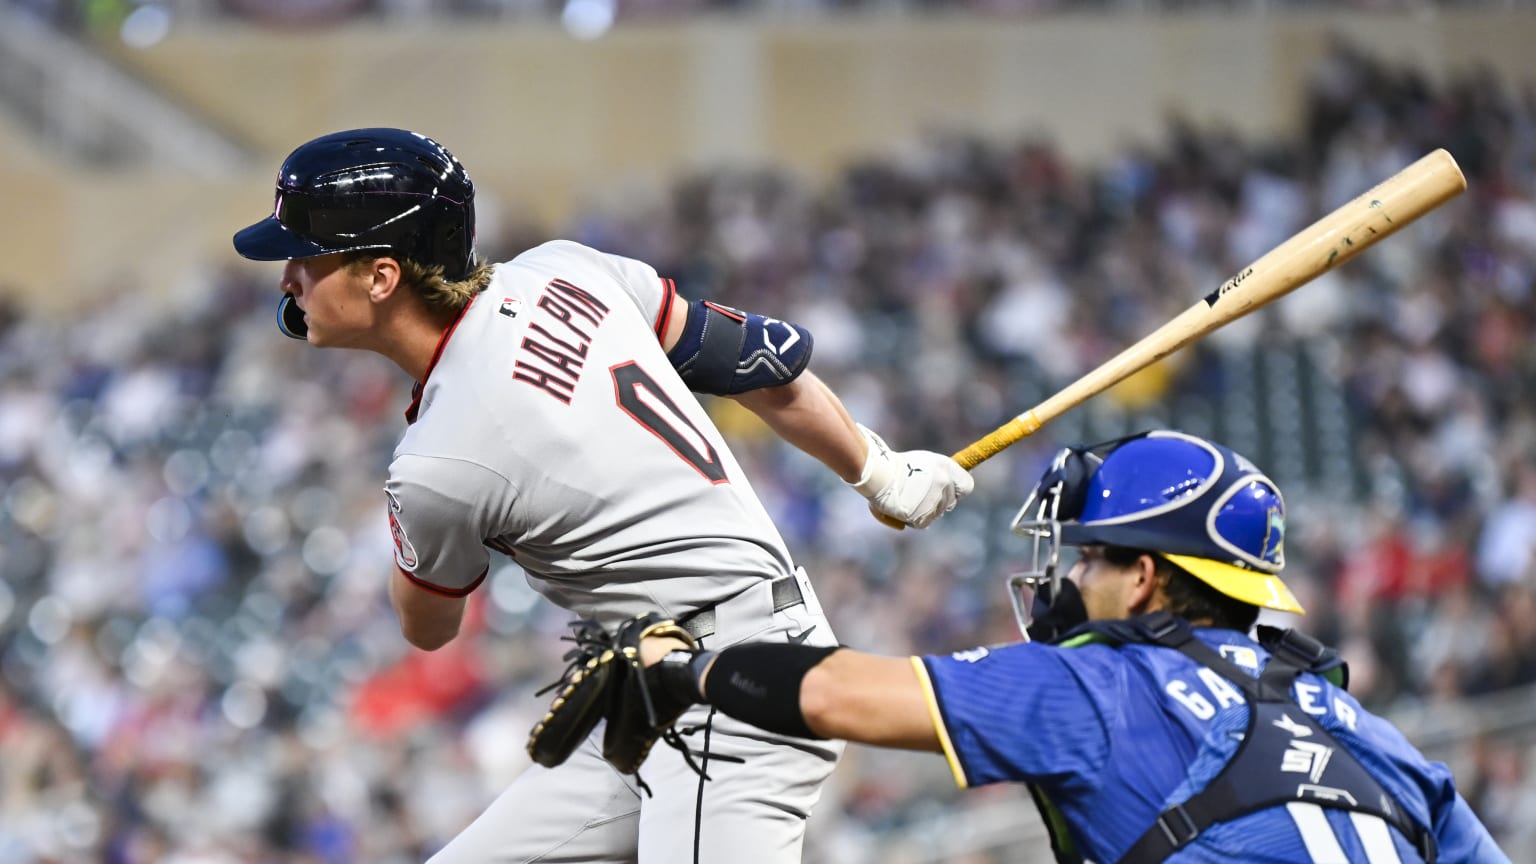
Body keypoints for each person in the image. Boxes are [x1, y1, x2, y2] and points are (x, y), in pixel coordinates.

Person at [231, 127, 974, 864]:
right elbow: (757, 362)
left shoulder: (438, 461)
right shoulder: (566, 269)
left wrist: (432, 512)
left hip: (737, 695)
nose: (288, 276)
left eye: (305, 256)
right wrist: (880, 470)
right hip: (669, 677)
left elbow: (427, 625)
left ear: (382, 277)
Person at [633, 430, 1510, 863]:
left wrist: (685, 667)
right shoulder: (1367, 729)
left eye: (1091, 555)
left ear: (1144, 579)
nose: (1073, 576)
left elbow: (837, 696)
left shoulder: (1101, 684)